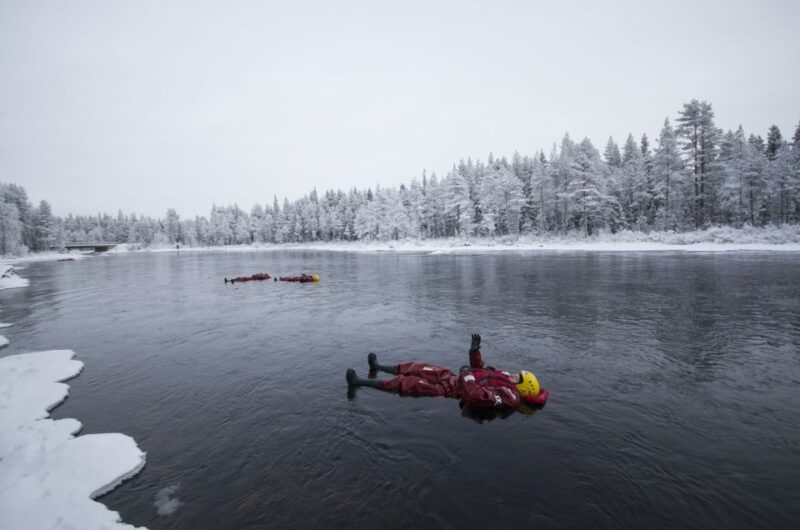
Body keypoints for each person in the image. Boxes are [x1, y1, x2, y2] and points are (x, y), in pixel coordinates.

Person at [346, 334, 549, 411]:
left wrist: (466, 374)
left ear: (523, 387)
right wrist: (474, 353)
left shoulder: (509, 397)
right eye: (516, 374)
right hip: (453, 376)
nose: (513, 375)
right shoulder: (504, 377)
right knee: (418, 367)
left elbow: (476, 396)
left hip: (451, 390)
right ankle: (379, 367)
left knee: (407, 384)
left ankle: (359, 382)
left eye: (517, 377)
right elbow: (481, 371)